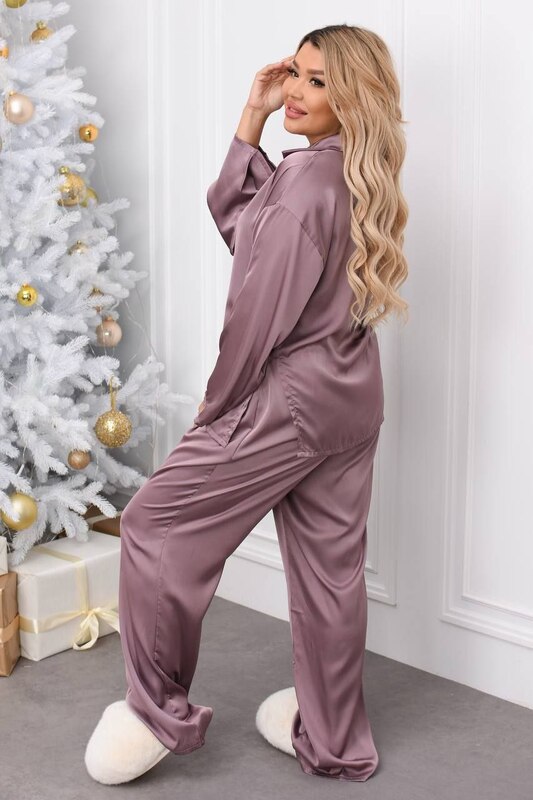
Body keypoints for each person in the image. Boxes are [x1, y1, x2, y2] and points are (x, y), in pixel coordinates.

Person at [85, 23, 408, 786]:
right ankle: (333, 738)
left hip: (287, 403)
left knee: (153, 524)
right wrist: (251, 118)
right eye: (294, 72)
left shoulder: (306, 185)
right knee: (330, 576)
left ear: (353, 96)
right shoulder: (351, 173)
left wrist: (217, 407)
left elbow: (256, 312)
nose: (294, 90)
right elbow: (249, 229)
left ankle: (153, 712)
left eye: (318, 82)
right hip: (351, 397)